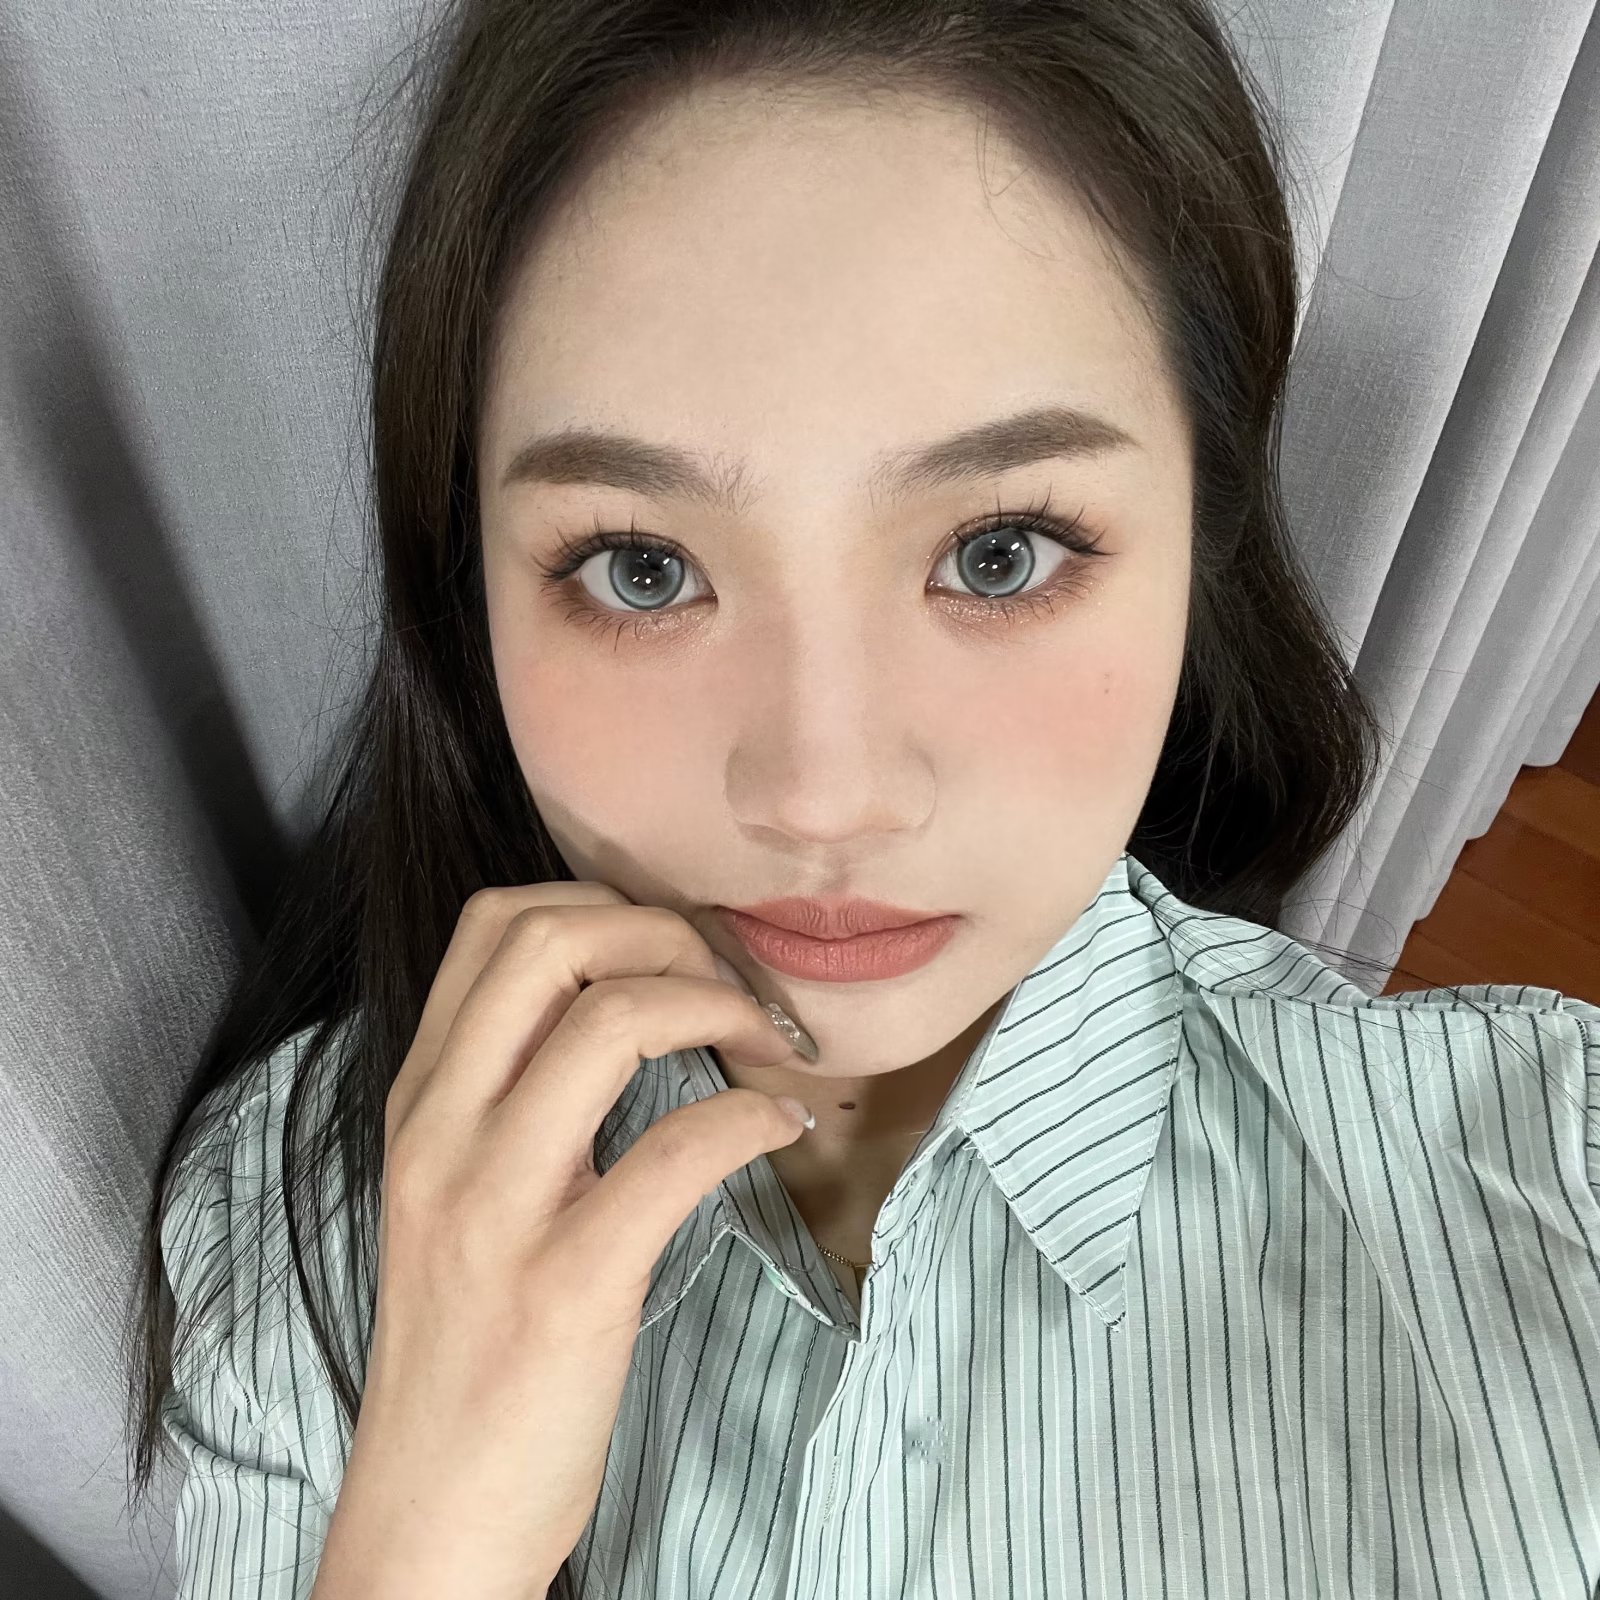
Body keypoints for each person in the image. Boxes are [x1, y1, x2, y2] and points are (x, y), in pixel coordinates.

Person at [125, 0, 1600, 1595]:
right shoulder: (300, 1215)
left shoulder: (1552, 1181)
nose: (822, 795)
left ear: (1202, 542)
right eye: (643, 568)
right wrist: (430, 1538)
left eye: (999, 554)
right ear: (467, 591)